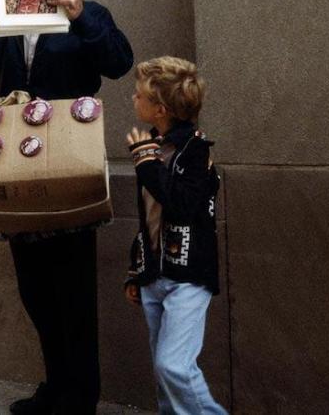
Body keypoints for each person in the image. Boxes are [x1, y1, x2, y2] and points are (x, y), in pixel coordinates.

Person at [0, 0, 133, 415]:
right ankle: (55, 388)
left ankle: (80, 399)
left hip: (67, 160)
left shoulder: (88, 13)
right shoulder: (6, 19)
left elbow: (119, 63)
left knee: (74, 287)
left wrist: (79, 15)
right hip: (17, 162)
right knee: (34, 287)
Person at [124, 57, 226, 415]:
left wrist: (148, 165)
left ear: (160, 109)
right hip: (156, 274)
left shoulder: (196, 151)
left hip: (189, 276)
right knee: (164, 376)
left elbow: (182, 204)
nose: (133, 100)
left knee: (174, 366)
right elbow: (150, 218)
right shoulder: (153, 145)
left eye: (139, 96)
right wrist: (137, 272)